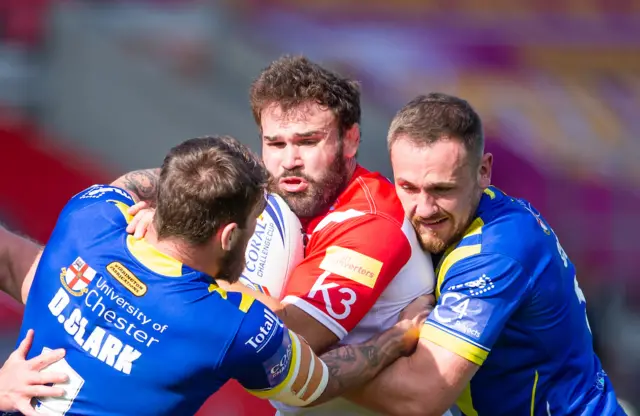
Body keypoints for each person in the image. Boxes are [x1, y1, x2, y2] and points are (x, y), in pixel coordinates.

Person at [0, 136, 424, 416]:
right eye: (256, 222)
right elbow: (320, 383)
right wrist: (395, 339)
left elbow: (129, 184)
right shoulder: (237, 326)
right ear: (228, 236)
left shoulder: (88, 216)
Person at [121, 55, 445, 416]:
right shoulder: (269, 184)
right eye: (275, 144)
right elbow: (137, 187)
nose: (290, 160)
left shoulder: (373, 223)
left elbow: (286, 339)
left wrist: (169, 256)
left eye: (307, 141)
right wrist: (167, 217)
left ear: (350, 140)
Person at [342, 93, 625, 415]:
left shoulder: (498, 252)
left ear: (483, 171)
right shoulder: (453, 223)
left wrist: (302, 371)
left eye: (442, 189)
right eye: (407, 187)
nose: (423, 209)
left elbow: (419, 397)